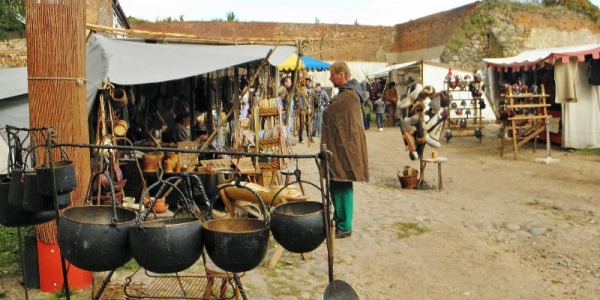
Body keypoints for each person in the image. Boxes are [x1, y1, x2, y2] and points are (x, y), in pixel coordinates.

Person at [321, 61, 369, 239]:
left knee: (341, 182)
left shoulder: (349, 96)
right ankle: (341, 220)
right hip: (340, 148)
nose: (330, 78)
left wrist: (328, 110)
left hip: (344, 149)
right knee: (337, 182)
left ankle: (344, 225)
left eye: (332, 75)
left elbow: (331, 115)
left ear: (341, 74)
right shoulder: (346, 94)